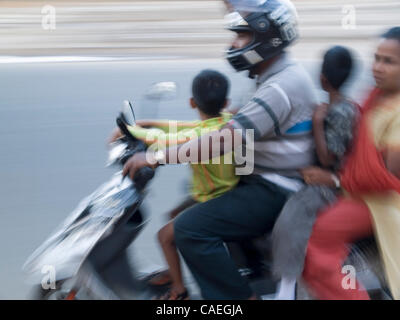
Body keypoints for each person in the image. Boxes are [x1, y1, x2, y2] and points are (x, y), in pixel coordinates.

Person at [121, 0, 318, 299]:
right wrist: (150, 128)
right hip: (258, 176)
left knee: (190, 228)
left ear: (267, 38)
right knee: (188, 201)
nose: (234, 43)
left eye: (242, 36)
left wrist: (156, 156)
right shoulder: (274, 76)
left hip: (274, 187)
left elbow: (222, 139)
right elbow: (216, 127)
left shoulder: (280, 86)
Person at [113, 69, 240, 300]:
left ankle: (180, 291)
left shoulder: (204, 133)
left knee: (164, 236)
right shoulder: (225, 122)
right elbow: (181, 127)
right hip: (219, 192)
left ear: (192, 102)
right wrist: (145, 124)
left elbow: (172, 140)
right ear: (226, 102)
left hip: (215, 199)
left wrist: (132, 131)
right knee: (173, 213)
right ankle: (174, 272)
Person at [302, 26, 400, 300]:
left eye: (389, 61)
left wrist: (335, 180)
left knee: (316, 242)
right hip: (360, 191)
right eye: (377, 58)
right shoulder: (377, 97)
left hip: (380, 202)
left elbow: (384, 178)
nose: (378, 67)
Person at [270, 45, 358, 300]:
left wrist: (319, 123)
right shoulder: (336, 106)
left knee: (289, 219)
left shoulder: (340, 111)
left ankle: (285, 290)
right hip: (321, 177)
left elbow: (328, 158)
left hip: (329, 185)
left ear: (322, 78)